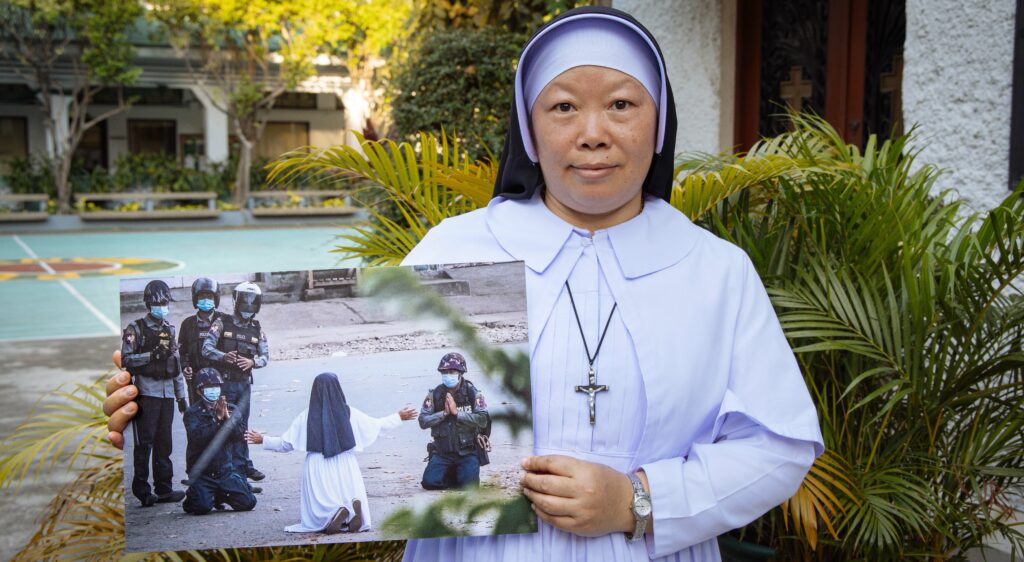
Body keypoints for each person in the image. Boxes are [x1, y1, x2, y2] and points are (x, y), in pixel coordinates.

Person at [108, 6, 824, 560]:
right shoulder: (456, 248)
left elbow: (779, 443)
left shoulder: (715, 270)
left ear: (659, 120)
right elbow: (331, 377)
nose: (594, 132)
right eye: (564, 106)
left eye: (623, 105)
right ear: (530, 126)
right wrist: (141, 411)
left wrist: (643, 500)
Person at [244, 372, 418, 534]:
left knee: (322, 499)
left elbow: (286, 443)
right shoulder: (350, 413)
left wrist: (263, 440)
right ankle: (351, 513)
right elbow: (377, 426)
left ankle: (331, 515)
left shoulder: (306, 416)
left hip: (317, 463)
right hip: (346, 462)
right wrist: (398, 417)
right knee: (347, 491)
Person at [120, 279, 187, 507]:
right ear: (149, 303)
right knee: (144, 444)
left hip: (167, 395)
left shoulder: (170, 329)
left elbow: (175, 365)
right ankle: (142, 490)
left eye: (165, 302)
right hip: (146, 394)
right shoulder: (135, 329)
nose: (162, 306)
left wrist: (181, 397)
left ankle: (164, 489)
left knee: (164, 444)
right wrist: (151, 356)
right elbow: (126, 359)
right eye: (158, 302)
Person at [202, 281, 269, 482]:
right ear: (236, 301)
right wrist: (223, 357)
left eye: (252, 301)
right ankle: (228, 471)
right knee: (226, 426)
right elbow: (206, 348)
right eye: (245, 300)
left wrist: (252, 362)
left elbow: (265, 357)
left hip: (244, 385)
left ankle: (242, 469)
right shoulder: (221, 323)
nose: (248, 305)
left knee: (242, 427)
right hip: (225, 383)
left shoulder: (257, 329)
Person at [181, 367, 257, 515]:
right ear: (199, 391)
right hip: (203, 472)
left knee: (248, 502)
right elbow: (199, 438)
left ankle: (220, 494)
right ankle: (194, 495)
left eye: (216, 387)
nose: (213, 390)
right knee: (201, 508)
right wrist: (217, 420)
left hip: (225, 470)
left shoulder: (230, 408)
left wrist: (227, 419)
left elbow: (239, 436)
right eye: (208, 388)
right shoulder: (192, 413)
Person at [419, 352, 490, 490]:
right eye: (444, 372)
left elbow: (483, 420)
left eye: (451, 371)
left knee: (469, 486)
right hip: (442, 452)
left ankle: (460, 473)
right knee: (429, 483)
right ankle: (451, 474)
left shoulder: (473, 393)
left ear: (460, 373)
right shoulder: (435, 394)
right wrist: (443, 414)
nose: (447, 375)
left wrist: (458, 413)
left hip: (467, 452)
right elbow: (423, 421)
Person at [178, 277, 223, 405]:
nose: (206, 300)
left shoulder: (224, 320)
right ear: (195, 299)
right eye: (202, 296)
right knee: (197, 416)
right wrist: (186, 367)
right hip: (196, 381)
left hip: (219, 379)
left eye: (209, 297)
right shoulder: (187, 324)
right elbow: (182, 351)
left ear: (216, 299)